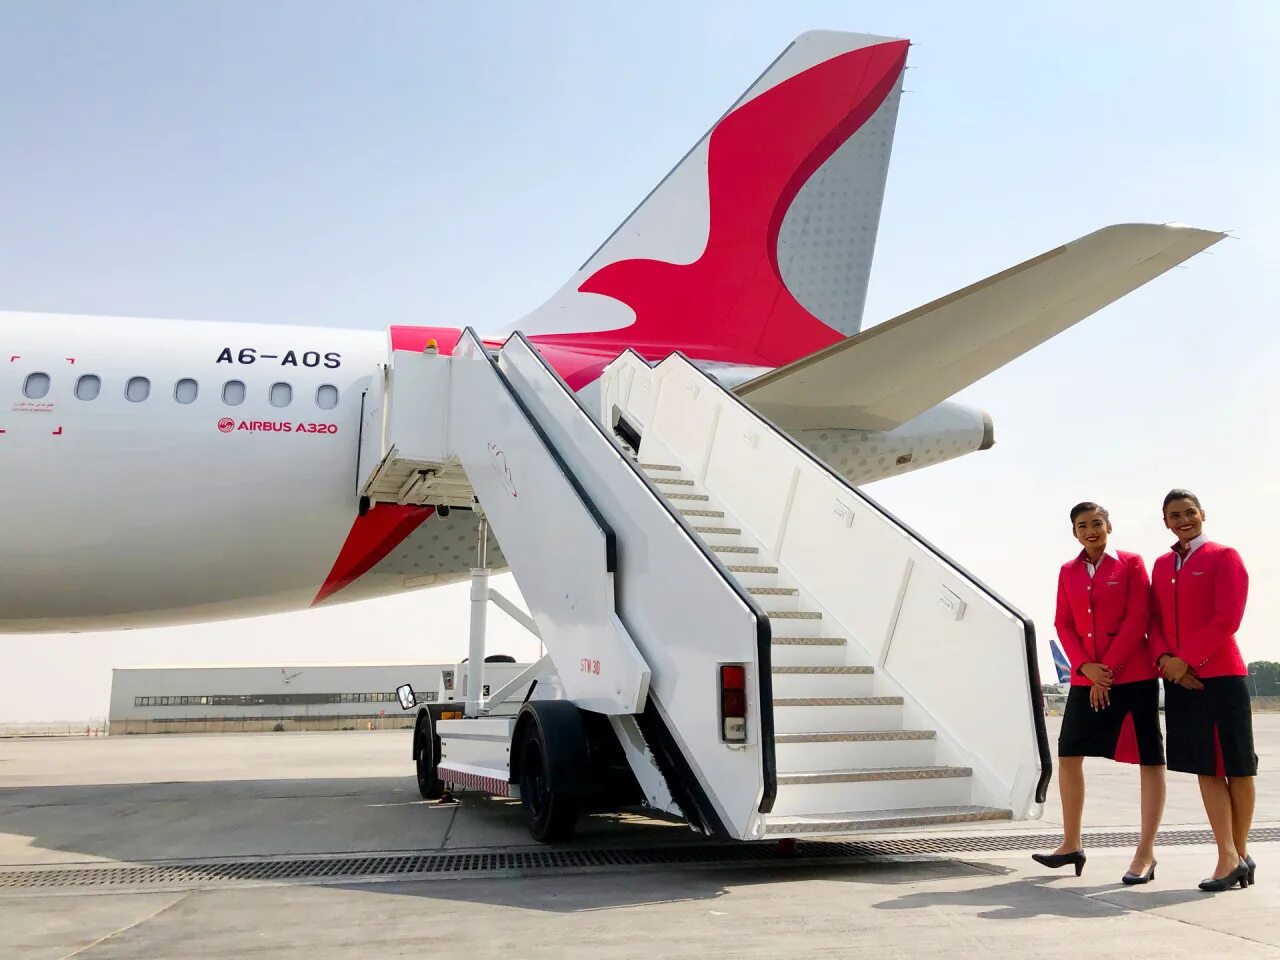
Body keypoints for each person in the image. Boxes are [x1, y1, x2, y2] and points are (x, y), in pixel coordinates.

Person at [1033, 502, 1165, 883]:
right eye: (1082, 526)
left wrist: (1105, 672)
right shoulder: (1067, 571)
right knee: (1068, 754)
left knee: (1150, 759)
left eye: (1096, 523)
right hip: (1085, 677)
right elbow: (1063, 622)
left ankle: (1145, 852)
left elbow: (1138, 619)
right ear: (1074, 532)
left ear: (1109, 525)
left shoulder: (1131, 564)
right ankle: (1071, 843)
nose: (1090, 531)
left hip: (1132, 677)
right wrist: (1085, 668)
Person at [1149, 489, 1256, 892]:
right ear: (1165, 522)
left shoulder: (1224, 556)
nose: (1183, 520)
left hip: (1222, 676)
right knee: (1205, 767)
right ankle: (1230, 855)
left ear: (1202, 514)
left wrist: (1186, 660)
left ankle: (1236, 854)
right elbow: (1155, 619)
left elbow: (1228, 617)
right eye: (1175, 515)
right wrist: (1166, 661)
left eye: (1189, 512)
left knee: (1238, 766)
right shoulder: (1162, 565)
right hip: (1180, 680)